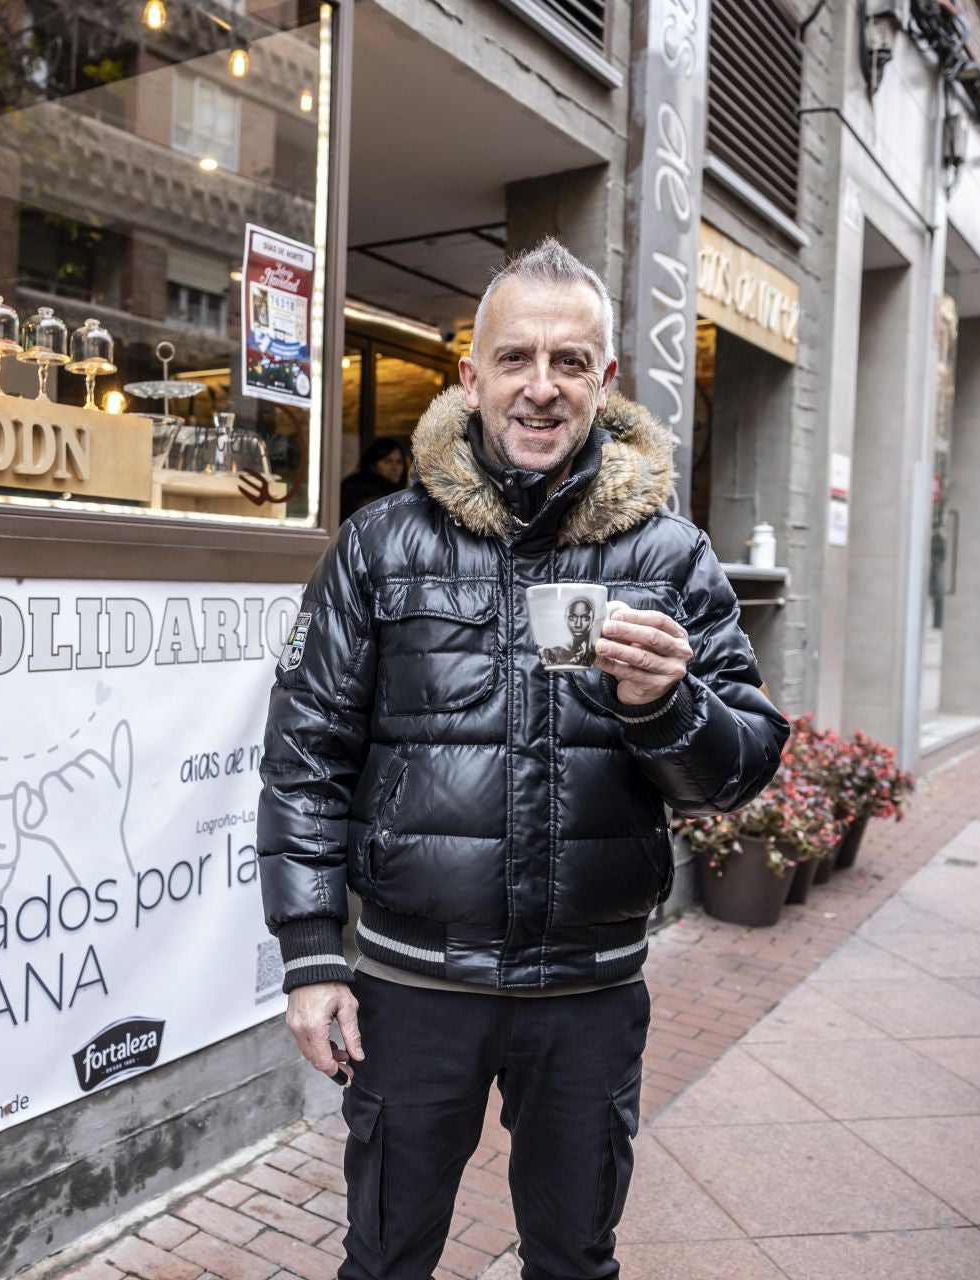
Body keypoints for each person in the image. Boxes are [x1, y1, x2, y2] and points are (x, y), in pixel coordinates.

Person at [257, 239, 787, 1280]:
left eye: (571, 361)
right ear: (471, 376)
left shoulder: (667, 554)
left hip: (588, 989)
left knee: (575, 1258)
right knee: (385, 1256)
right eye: (516, 358)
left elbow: (741, 767)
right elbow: (306, 751)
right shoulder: (381, 544)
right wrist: (316, 953)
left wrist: (666, 704)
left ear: (606, 380)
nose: (541, 387)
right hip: (414, 983)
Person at [340, 436, 411, 521]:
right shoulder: (360, 489)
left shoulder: (397, 494)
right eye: (388, 461)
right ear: (373, 465)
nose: (395, 468)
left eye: (399, 462)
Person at [539, 596, 596, 667]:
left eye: (585, 618)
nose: (578, 624)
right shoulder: (553, 652)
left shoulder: (597, 652)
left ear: (592, 620)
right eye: (572, 617)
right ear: (565, 618)